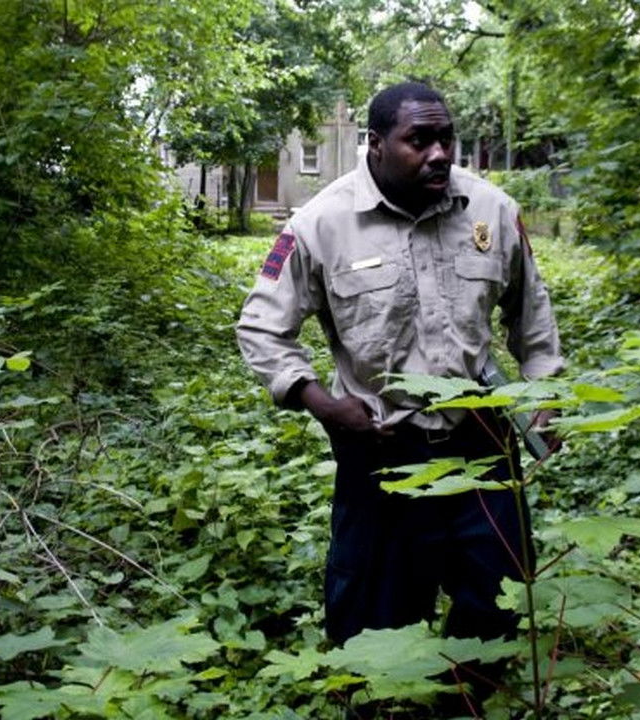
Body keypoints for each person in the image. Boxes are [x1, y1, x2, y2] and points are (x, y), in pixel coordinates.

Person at [235, 82, 564, 647]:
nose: (439, 153)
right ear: (376, 144)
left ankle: (469, 701)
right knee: (371, 625)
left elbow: (533, 321)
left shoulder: (493, 210)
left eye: (446, 138)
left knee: (501, 606)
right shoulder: (320, 223)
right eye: (419, 140)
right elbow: (262, 327)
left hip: (482, 445)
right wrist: (323, 405)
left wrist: (543, 400)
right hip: (383, 452)